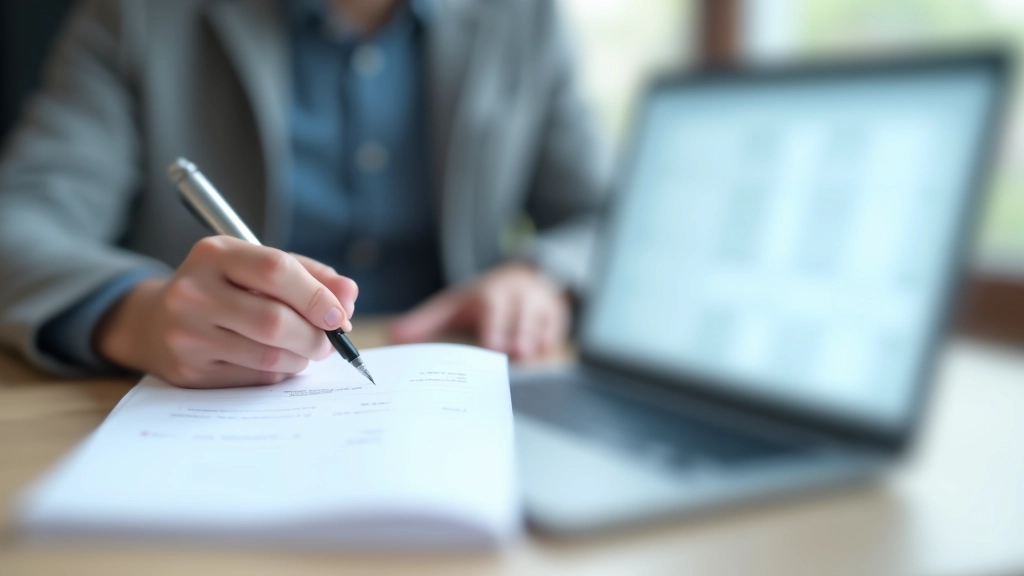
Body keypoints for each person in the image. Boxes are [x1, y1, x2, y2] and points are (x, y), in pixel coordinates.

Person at [0, 0, 608, 387]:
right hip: (214, 415)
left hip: (463, 395)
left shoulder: (525, 18)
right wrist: (138, 316)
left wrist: (542, 274)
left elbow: (608, 219)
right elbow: (18, 222)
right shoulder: (137, 16)